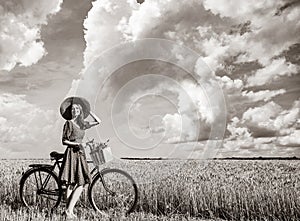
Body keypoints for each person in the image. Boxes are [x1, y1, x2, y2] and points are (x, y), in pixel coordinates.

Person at [59, 102, 101, 219]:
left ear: (80, 110)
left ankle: (68, 211)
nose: (74, 110)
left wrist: (88, 111)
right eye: (72, 109)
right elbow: (64, 141)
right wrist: (76, 143)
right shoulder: (69, 123)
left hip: (81, 153)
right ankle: (68, 211)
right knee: (74, 182)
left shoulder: (82, 124)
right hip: (72, 153)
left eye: (77, 108)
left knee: (81, 181)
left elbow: (98, 121)